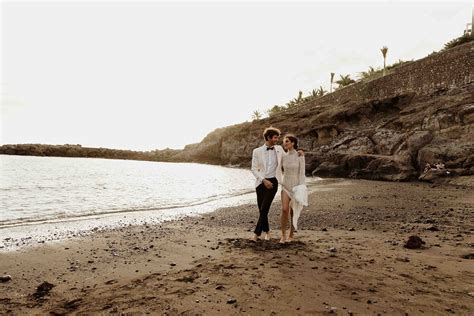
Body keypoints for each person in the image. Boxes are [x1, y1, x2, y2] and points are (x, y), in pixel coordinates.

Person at [249, 127, 303, 242]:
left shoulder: (279, 149)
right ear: (268, 137)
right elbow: (253, 169)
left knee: (264, 208)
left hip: (273, 182)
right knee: (262, 210)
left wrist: (299, 152)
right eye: (275, 137)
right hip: (260, 182)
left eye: (278, 137)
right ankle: (268, 232)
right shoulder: (257, 151)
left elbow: (289, 156)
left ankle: (256, 234)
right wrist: (263, 180)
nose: (278, 139)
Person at [279, 134, 307, 243]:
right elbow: (277, 169)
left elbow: (302, 173)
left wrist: (301, 188)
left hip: (296, 186)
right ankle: (283, 235)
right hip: (285, 185)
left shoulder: (300, 156)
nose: (284, 143)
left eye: (287, 141)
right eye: (284, 141)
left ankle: (291, 233)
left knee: (292, 211)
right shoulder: (283, 156)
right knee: (284, 209)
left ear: (293, 143)